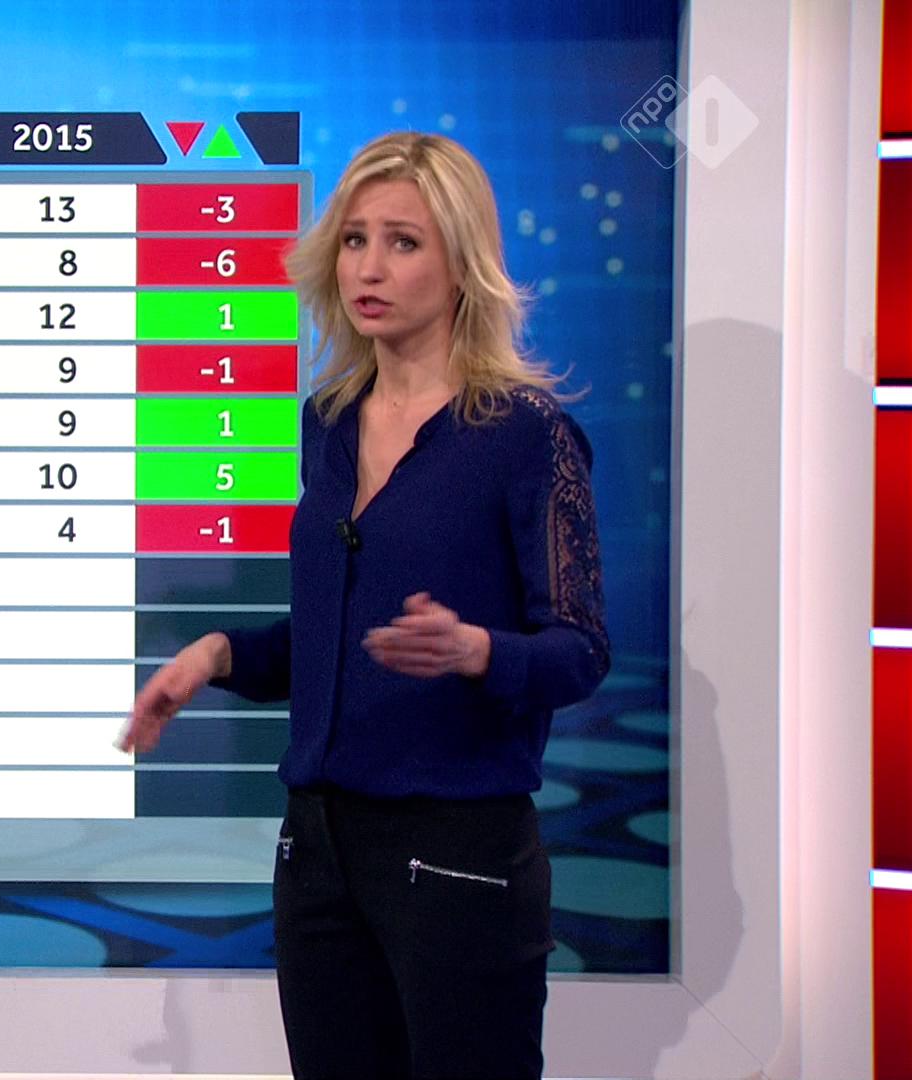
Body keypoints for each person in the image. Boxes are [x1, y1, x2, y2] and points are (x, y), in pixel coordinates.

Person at [122, 131, 608, 1080]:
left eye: (402, 242)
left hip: (458, 856)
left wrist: (477, 651)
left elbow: (581, 649)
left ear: (462, 264)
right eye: (354, 240)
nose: (368, 268)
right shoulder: (330, 422)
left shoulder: (525, 434)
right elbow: (338, 641)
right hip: (318, 855)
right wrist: (214, 656)